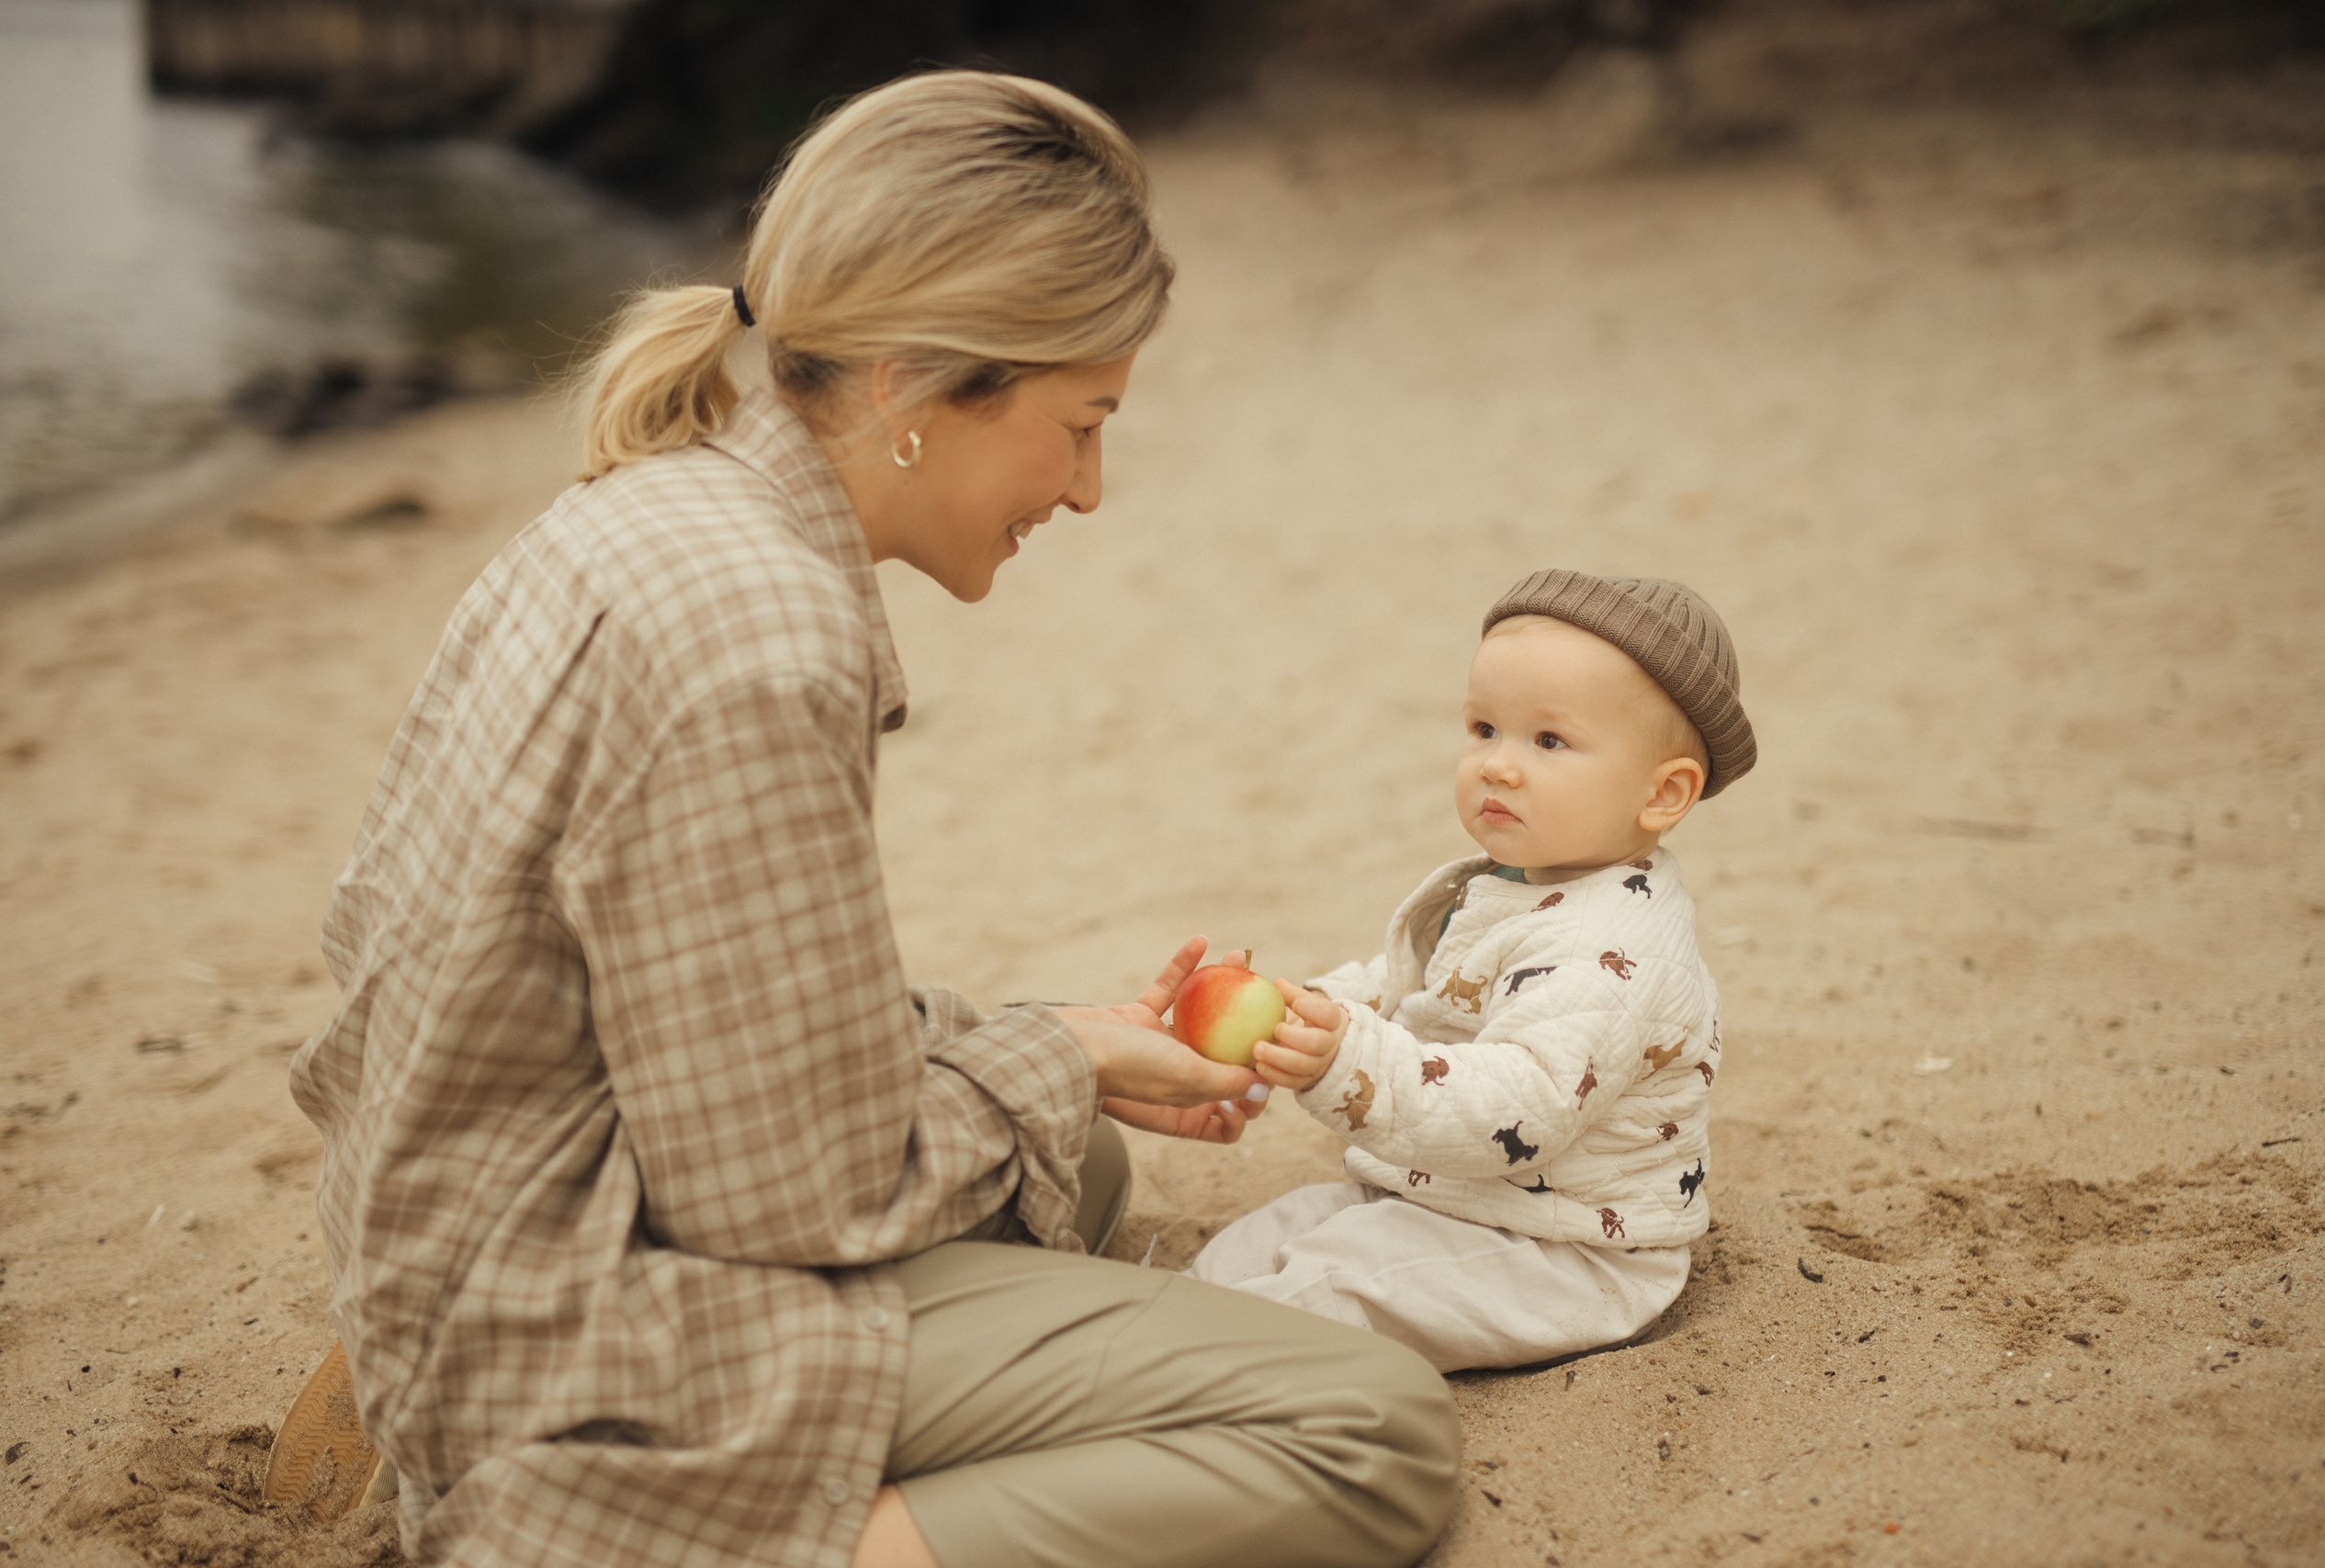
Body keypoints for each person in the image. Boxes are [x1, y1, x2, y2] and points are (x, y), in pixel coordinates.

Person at [265, 71, 1460, 1568]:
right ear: (914, 382)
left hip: (478, 1222)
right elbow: (793, 1201)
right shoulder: (764, 638)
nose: (1092, 489)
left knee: (1072, 1159)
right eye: (1081, 423)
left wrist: (1070, 1047)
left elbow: (677, 1012)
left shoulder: (661, 503)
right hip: (582, 1302)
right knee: (1371, 1431)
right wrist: (1044, 1053)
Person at [1185, 570, 1756, 1373]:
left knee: (1332, 1287)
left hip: (1565, 1251)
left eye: (1548, 741)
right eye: (1484, 728)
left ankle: (1172, 1373)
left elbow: (1517, 1104)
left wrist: (1344, 1061)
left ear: (1662, 794)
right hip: (1450, 1196)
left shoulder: (1614, 948)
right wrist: (1302, 1012)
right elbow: (1414, 979)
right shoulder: (1528, 876)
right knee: (1269, 1236)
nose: (1498, 765)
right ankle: (1154, 1330)